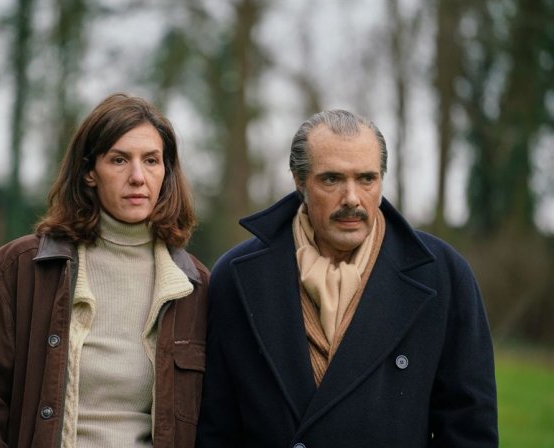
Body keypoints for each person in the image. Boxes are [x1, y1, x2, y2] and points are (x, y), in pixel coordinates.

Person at [196, 109, 498, 447]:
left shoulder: (443, 275)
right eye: (332, 179)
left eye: (367, 179)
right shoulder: (235, 277)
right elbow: (216, 428)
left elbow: (469, 428)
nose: (352, 198)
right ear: (299, 181)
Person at [0, 93, 209, 447]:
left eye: (151, 160)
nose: (138, 177)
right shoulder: (19, 270)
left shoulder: (195, 288)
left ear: (166, 171)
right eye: (119, 160)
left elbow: (221, 422)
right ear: (89, 172)